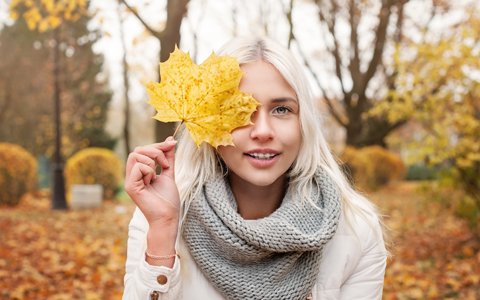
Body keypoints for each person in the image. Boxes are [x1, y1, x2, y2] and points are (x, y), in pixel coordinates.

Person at [123, 36, 387, 300]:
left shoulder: (355, 230)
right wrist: (163, 234)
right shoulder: (159, 218)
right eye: (241, 111)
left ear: (303, 122)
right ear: (211, 123)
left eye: (282, 109)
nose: (262, 131)